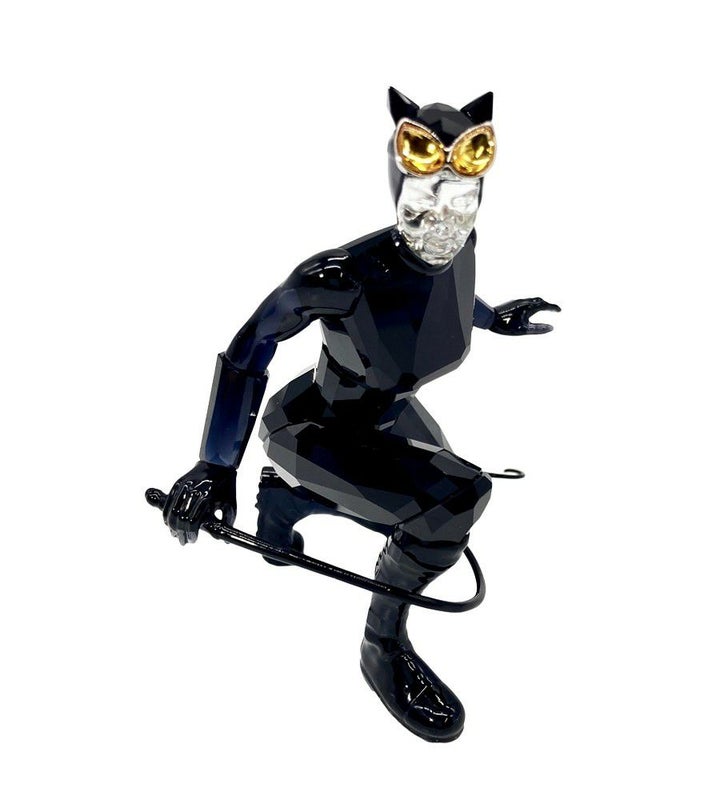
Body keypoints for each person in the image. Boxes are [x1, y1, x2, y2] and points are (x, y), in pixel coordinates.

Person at [161, 87, 560, 741]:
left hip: (385, 415)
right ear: (400, 186)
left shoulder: (460, 247)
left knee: (430, 498)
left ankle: (285, 503)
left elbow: (446, 297)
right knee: (454, 500)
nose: (445, 222)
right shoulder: (339, 277)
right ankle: (382, 647)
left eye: (462, 203)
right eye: (428, 202)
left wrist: (494, 320)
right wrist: (214, 465)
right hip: (311, 427)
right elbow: (249, 349)